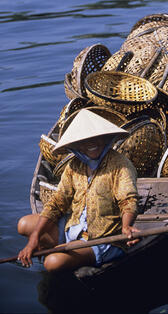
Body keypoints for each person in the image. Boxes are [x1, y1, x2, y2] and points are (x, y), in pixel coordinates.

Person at [17, 109, 140, 272]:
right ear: (76, 145)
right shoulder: (74, 166)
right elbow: (57, 203)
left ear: (105, 138)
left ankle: (68, 252)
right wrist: (34, 239)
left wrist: (126, 227)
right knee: (24, 224)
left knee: (51, 262)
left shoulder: (120, 164)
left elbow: (128, 200)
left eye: (96, 137)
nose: (91, 143)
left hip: (104, 237)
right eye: (85, 140)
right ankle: (66, 248)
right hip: (74, 227)